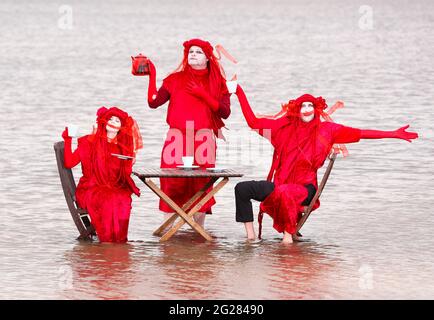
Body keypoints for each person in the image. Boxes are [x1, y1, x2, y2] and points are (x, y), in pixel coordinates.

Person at [233, 85, 418, 243]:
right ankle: (250, 239)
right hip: (281, 184)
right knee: (242, 188)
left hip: (306, 188)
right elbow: (253, 121)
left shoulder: (327, 130)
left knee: (284, 191)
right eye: (303, 105)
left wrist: (393, 134)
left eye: (310, 105)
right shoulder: (282, 129)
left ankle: (287, 240)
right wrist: (239, 91)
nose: (306, 109)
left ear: (316, 109)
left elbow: (361, 133)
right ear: (296, 109)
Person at [144, 38, 233, 228]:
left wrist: (203, 95)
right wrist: (152, 75)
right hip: (176, 136)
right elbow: (153, 103)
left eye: (198, 52)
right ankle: (168, 229)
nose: (193, 54)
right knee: (171, 182)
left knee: (201, 183)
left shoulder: (218, 82)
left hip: (204, 137)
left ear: (208, 57)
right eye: (190, 51)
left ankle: (197, 229)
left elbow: (225, 112)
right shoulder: (174, 79)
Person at [62, 107, 143, 243]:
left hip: (112, 186)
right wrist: (68, 139)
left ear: (121, 127)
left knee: (123, 197)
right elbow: (69, 163)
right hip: (90, 188)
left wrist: (127, 162)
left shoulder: (122, 148)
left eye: (117, 121)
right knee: (109, 198)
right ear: (104, 122)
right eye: (110, 119)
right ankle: (107, 242)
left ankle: (118, 241)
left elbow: (124, 175)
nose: (112, 122)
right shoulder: (89, 142)